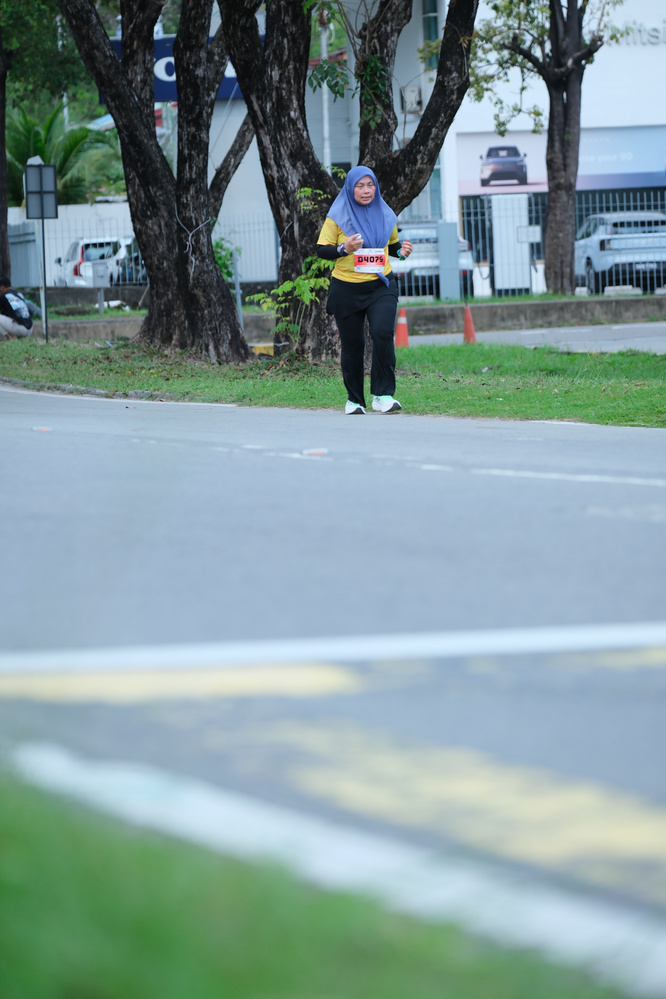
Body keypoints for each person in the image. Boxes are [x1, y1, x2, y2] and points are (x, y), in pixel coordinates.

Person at [316, 166, 412, 414]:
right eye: (360, 186)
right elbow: (322, 249)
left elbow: (392, 246)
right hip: (346, 288)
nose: (366, 190)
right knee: (353, 344)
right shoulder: (337, 216)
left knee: (382, 334)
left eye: (370, 185)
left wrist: (402, 252)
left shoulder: (386, 213)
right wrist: (344, 248)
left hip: (381, 284)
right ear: (350, 188)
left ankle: (383, 395)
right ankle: (355, 400)